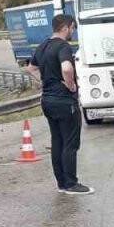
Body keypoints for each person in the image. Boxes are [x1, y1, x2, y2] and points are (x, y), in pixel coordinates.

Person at [28, 14, 93, 195]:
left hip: (47, 100)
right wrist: (70, 85)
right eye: (73, 28)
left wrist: (44, 82)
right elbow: (66, 67)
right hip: (64, 102)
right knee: (70, 143)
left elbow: (31, 68)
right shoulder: (63, 46)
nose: (73, 32)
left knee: (57, 142)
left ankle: (62, 183)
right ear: (66, 27)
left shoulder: (43, 46)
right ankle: (72, 183)